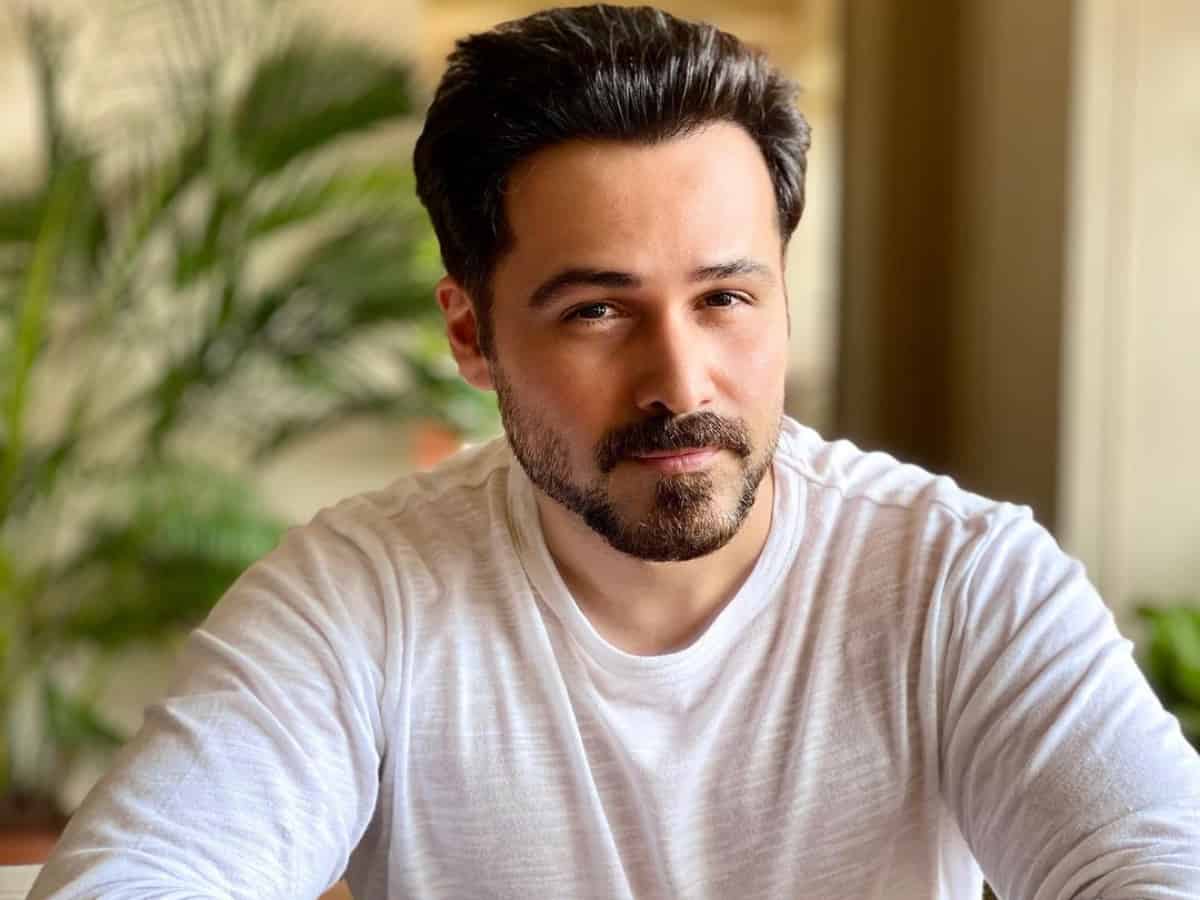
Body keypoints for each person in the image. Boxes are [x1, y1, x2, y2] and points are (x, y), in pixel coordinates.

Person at [30, 5, 1200, 899]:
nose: (680, 383)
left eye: (726, 299)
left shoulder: (958, 577)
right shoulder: (362, 599)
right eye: (597, 311)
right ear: (472, 335)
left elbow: (1157, 863)